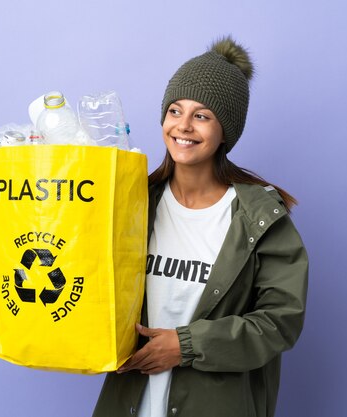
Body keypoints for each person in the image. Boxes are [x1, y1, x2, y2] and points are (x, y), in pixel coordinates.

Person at [93, 36, 309, 417]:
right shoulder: (133, 203)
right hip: (128, 401)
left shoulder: (259, 219)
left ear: (225, 131)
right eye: (175, 111)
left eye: (203, 116)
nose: (184, 126)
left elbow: (280, 321)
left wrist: (185, 345)